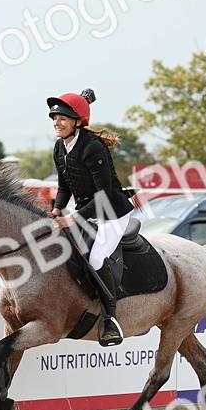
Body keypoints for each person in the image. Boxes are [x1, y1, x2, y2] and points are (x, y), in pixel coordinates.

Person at [48, 88, 135, 346]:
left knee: (96, 258)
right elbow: (64, 186)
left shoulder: (92, 147)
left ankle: (111, 318)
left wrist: (72, 218)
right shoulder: (59, 147)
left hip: (112, 212)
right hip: (86, 212)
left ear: (77, 121)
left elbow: (104, 194)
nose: (57, 122)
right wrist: (55, 210)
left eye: (62, 117)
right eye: (54, 117)